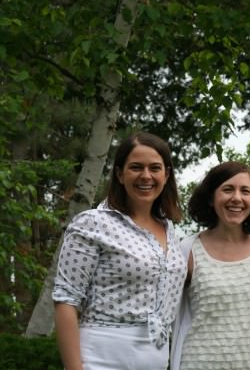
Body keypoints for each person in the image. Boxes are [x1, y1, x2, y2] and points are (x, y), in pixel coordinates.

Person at [52, 131, 186, 370]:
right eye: (136, 167)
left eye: (155, 168)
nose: (146, 176)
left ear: (166, 175)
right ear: (120, 174)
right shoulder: (93, 223)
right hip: (100, 360)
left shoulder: (170, 231)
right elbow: (66, 300)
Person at [170, 161, 250, 370]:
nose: (237, 198)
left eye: (245, 191)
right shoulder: (188, 249)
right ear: (210, 198)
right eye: (227, 189)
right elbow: (169, 316)